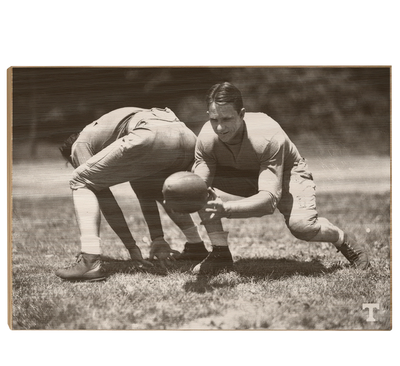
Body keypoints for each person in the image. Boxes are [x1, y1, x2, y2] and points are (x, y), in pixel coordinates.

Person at [191, 82, 370, 275]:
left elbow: (268, 201)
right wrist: (186, 196)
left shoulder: (267, 135)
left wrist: (226, 209)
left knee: (302, 227)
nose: (219, 127)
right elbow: (199, 182)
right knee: (194, 186)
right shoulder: (206, 137)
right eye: (214, 119)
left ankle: (340, 237)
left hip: (286, 173)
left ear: (242, 114)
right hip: (243, 174)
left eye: (227, 119)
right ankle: (220, 254)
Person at [56, 106, 208, 281]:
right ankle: (197, 245)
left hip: (150, 134)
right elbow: (145, 191)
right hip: (184, 132)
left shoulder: (79, 145)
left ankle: (89, 261)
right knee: (170, 189)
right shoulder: (113, 134)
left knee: (80, 179)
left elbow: (107, 203)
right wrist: (157, 238)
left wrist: (131, 247)